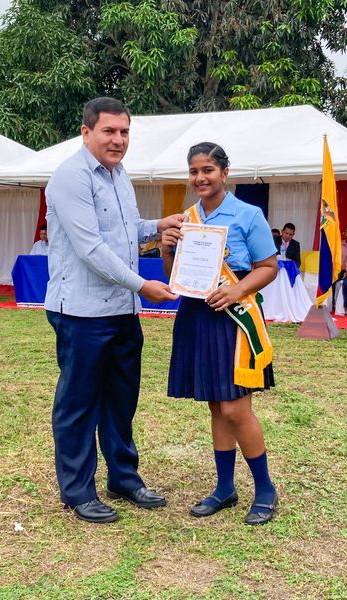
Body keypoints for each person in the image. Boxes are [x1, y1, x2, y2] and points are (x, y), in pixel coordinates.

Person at [44, 97, 184, 524]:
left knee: (122, 400)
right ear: (86, 132)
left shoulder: (120, 175)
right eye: (109, 131)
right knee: (79, 403)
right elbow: (91, 248)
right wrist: (143, 285)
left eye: (124, 132)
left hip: (122, 310)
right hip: (82, 312)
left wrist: (158, 225)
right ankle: (77, 491)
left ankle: (123, 478)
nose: (118, 140)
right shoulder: (70, 177)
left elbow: (125, 232)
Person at [162, 142, 279, 525]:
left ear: (224, 173)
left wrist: (237, 290)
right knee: (216, 404)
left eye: (208, 170)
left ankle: (265, 489)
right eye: (194, 171)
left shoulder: (248, 214)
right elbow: (174, 276)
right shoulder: (185, 218)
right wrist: (167, 250)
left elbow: (269, 267)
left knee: (235, 407)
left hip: (233, 316)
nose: (200, 178)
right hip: (197, 315)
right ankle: (225, 488)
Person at [331, 224, 347, 310]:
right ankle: (333, 303)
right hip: (339, 270)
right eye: (345, 233)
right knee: (332, 281)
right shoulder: (339, 244)